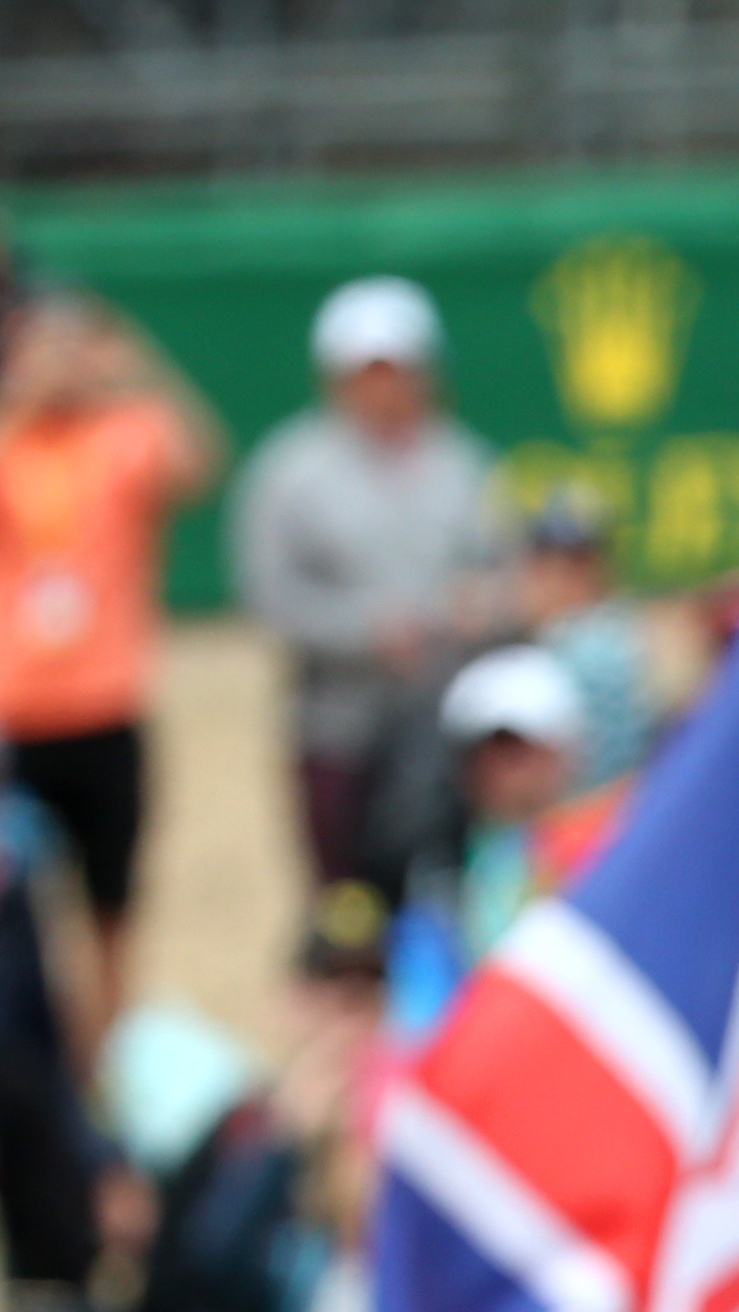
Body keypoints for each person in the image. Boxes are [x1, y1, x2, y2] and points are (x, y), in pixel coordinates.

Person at [0, 289, 220, 1038]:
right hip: (3, 713)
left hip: (104, 705)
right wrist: (13, 398)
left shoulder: (120, 431)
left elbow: (201, 462)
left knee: (111, 911)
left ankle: (104, 1059)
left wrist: (134, 365)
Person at [228, 278, 502, 891]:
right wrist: (364, 631)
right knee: (345, 895)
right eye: (369, 371)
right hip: (337, 723)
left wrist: (476, 609)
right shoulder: (290, 472)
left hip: (444, 719)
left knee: (445, 885)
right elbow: (268, 594)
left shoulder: (464, 467)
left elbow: (500, 573)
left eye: (399, 369)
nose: (387, 387)